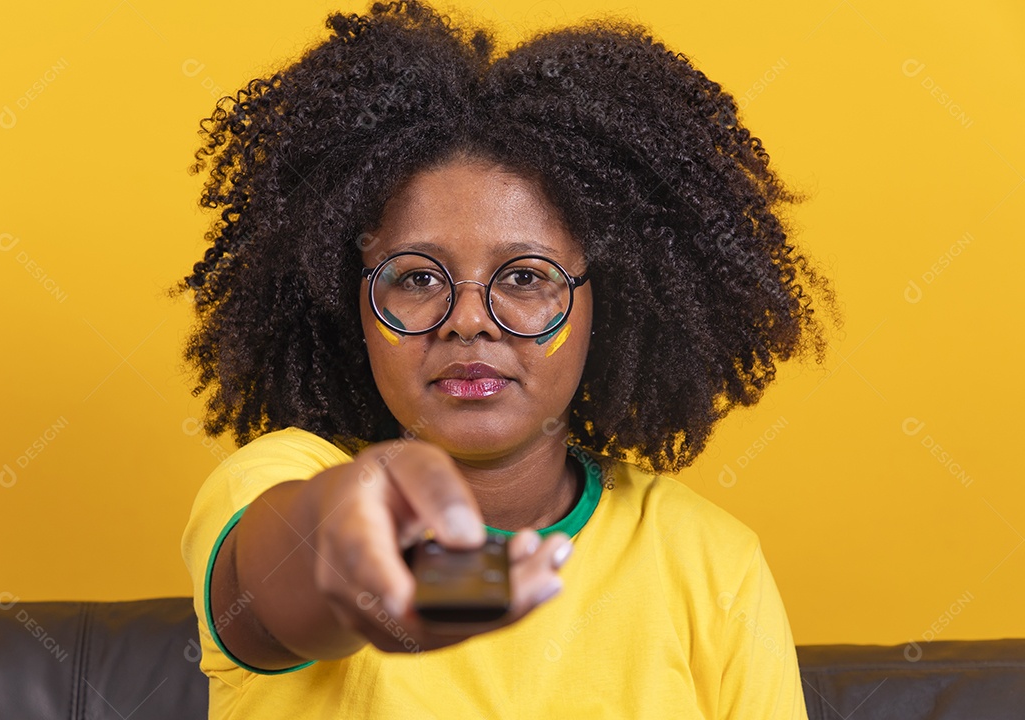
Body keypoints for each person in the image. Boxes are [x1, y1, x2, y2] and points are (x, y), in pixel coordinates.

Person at [172, 1, 841, 717]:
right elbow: (282, 579)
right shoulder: (282, 478)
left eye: (525, 277)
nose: (465, 321)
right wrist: (350, 552)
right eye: (417, 277)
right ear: (348, 303)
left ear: (604, 303)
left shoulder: (711, 562)